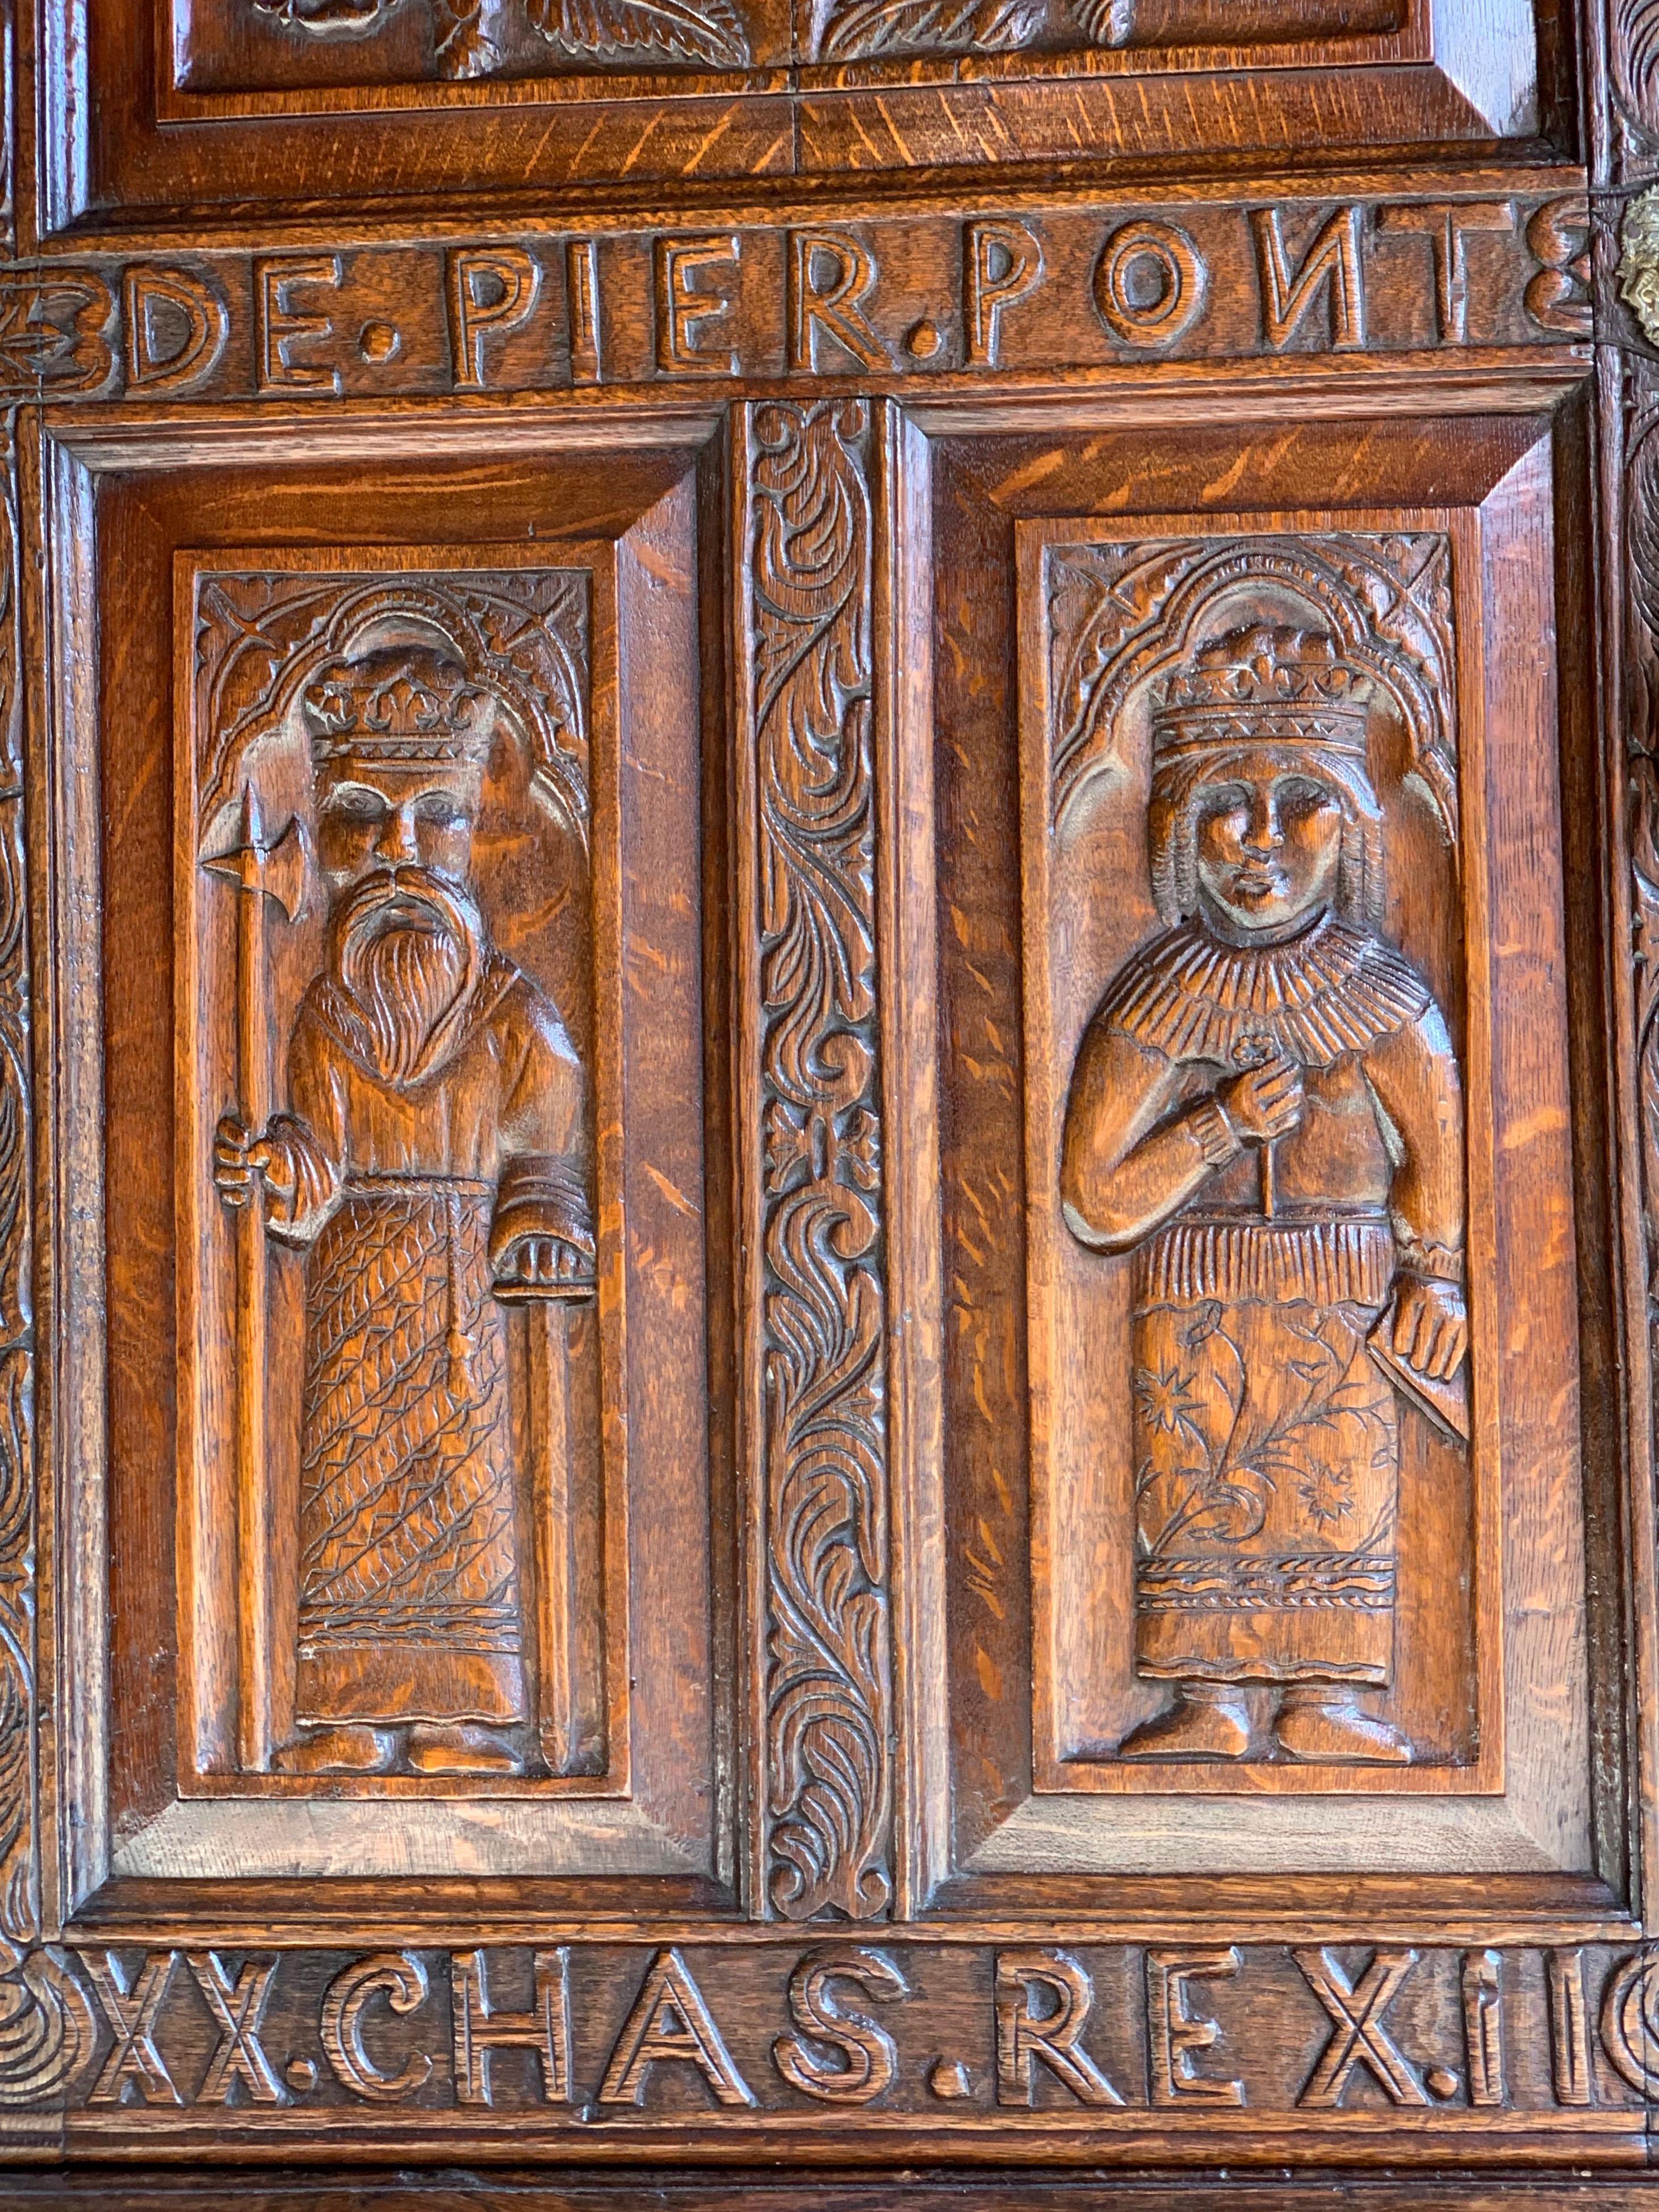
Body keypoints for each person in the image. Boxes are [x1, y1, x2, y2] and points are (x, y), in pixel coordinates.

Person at [1059, 622, 1465, 1762]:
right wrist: (1217, 1124)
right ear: (1179, 827)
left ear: (1356, 823)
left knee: (1337, 1479)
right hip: (1194, 1300)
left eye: (1306, 803)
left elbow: (1439, 1149)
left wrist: (1437, 1272)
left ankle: (1327, 1695)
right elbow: (1093, 1193)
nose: (1266, 841)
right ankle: (1209, 1695)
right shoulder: (1158, 994)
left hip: (1338, 1292)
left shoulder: (1379, 991)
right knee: (1193, 1476)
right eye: (1230, 805)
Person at [214, 641, 593, 1777]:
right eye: (362, 823)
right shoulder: (327, 1016)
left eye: (435, 819)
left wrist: (538, 1220)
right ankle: (342, 1707)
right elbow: (317, 1154)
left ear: (472, 836)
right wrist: (281, 1170)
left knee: (460, 1495)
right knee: (354, 1498)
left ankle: (461, 1715)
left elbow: (550, 1142)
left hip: (464, 1297)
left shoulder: (511, 1013)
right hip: (360, 1291)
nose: (400, 854)